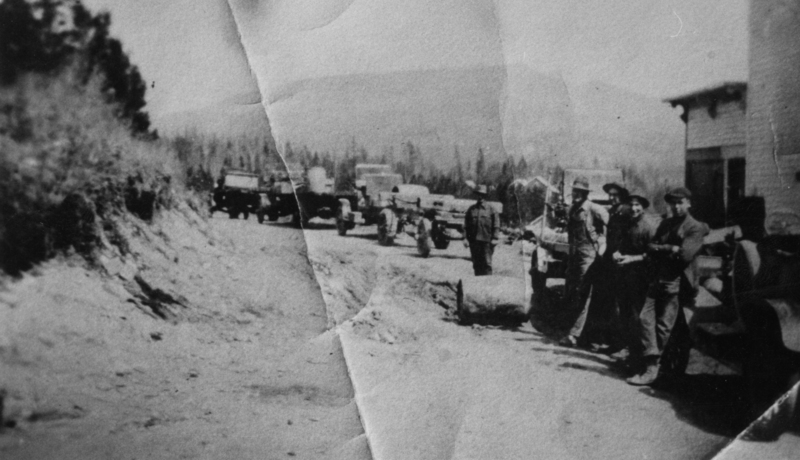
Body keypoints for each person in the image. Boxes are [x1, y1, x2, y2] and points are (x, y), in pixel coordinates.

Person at [627, 187, 709, 386]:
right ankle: (653, 363)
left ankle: (654, 369)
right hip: (659, 277)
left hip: (677, 281)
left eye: (681, 202)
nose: (677, 207)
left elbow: (685, 255)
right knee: (644, 318)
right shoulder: (666, 223)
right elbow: (650, 246)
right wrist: (670, 248)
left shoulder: (694, 227)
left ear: (689, 203)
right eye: (673, 203)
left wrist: (665, 249)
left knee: (665, 326)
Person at [559, 177, 609, 347]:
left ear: (586, 194)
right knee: (572, 292)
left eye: (581, 192)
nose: (577, 194)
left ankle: (574, 335)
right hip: (574, 256)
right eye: (575, 191)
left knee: (583, 294)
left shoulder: (594, 209)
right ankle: (574, 330)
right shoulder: (573, 209)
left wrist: (603, 245)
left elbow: (609, 227)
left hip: (588, 256)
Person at [611, 192, 658, 370]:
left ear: (643, 207)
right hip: (625, 276)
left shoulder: (649, 226)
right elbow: (621, 245)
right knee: (625, 315)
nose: (633, 208)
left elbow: (654, 254)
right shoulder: (626, 223)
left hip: (642, 278)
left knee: (639, 318)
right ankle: (632, 354)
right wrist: (616, 252)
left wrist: (633, 258)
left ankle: (643, 361)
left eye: (637, 205)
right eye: (630, 204)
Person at [464, 185, 500, 276]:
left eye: (482, 195)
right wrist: (465, 238)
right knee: (476, 264)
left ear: (485, 196)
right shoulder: (471, 210)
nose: (480, 197)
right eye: (478, 195)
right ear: (476, 195)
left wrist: (495, 237)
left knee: (487, 264)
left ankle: (487, 287)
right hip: (474, 241)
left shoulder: (491, 209)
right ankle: (478, 287)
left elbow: (496, 225)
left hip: (487, 241)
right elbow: (466, 226)